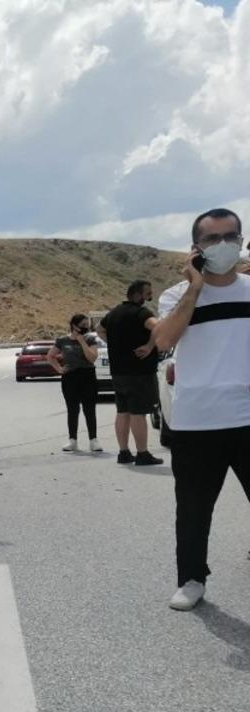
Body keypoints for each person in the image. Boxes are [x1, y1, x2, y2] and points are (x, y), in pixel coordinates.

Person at [150, 207, 250, 611]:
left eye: (232, 236)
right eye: (213, 239)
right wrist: (194, 287)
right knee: (192, 508)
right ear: (195, 248)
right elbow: (164, 341)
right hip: (197, 421)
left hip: (247, 417)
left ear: (242, 241)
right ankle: (192, 579)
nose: (224, 246)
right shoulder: (176, 294)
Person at [98, 282, 162, 465]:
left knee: (122, 411)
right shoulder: (141, 313)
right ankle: (142, 454)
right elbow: (158, 326)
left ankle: (124, 452)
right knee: (138, 413)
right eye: (148, 294)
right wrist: (150, 346)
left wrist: (116, 344)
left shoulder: (113, 313)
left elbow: (99, 330)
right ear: (138, 294)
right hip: (139, 372)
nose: (149, 297)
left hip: (118, 372)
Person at [46, 314, 103, 453]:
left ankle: (93, 440)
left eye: (87, 325)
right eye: (82, 325)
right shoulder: (62, 340)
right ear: (74, 325)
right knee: (72, 409)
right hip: (70, 377)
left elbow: (92, 358)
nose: (85, 327)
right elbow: (50, 356)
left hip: (87, 376)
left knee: (89, 409)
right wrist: (59, 369)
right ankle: (72, 440)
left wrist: (82, 341)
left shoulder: (90, 338)